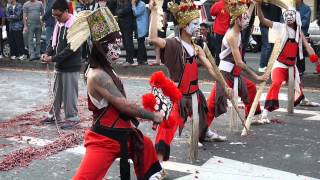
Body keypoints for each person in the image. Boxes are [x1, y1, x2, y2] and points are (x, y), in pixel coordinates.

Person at [68, 7, 165, 180]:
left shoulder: (106, 67)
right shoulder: (97, 75)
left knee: (146, 147)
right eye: (113, 44)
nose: (118, 47)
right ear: (100, 46)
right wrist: (153, 115)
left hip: (124, 135)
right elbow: (123, 105)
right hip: (104, 140)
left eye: (118, 42)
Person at [148, 0, 229, 165]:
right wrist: (154, 12)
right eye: (195, 24)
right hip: (179, 96)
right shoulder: (173, 44)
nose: (199, 27)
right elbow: (152, 38)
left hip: (195, 93)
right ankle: (158, 163)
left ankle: (203, 132)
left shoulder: (197, 47)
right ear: (184, 26)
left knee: (203, 113)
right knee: (168, 128)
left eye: (198, 23)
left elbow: (211, 68)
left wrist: (223, 84)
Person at [206, 0, 269, 126]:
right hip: (225, 75)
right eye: (244, 18)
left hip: (234, 74)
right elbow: (239, 63)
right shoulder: (232, 35)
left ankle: (250, 117)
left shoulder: (238, 28)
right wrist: (257, 76)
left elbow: (246, 15)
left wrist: (253, 4)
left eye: (246, 18)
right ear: (237, 20)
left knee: (251, 89)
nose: (246, 20)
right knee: (213, 104)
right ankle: (201, 132)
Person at [256, 2, 320, 122]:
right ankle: (265, 113)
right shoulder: (280, 27)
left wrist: (316, 61)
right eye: (287, 15)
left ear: (296, 17)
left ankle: (303, 99)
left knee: (297, 82)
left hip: (291, 65)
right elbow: (263, 20)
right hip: (279, 64)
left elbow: (307, 46)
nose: (289, 17)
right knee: (276, 83)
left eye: (292, 15)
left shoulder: (298, 31)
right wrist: (258, 6)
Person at [41, 0, 82, 129]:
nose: (56, 18)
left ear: (66, 11)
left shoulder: (75, 25)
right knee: (56, 92)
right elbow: (52, 42)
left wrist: (53, 58)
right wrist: (47, 53)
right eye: (54, 16)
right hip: (59, 64)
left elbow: (71, 48)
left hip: (71, 65)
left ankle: (72, 117)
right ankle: (54, 114)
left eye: (58, 15)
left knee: (69, 94)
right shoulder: (59, 23)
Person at [258, 3, 282, 72]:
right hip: (266, 24)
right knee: (267, 46)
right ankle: (262, 66)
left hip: (275, 25)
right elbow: (264, 4)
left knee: (274, 46)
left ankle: (269, 65)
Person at [116, 0, 136, 67]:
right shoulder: (120, 3)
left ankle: (130, 60)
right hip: (122, 26)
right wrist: (121, 12)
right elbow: (117, 12)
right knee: (125, 43)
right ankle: (127, 59)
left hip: (128, 26)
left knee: (129, 43)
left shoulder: (129, 2)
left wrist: (120, 12)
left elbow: (127, 11)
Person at [210, 0, 230, 66]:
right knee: (228, 49)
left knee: (218, 48)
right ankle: (226, 64)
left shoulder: (218, 4)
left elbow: (212, 12)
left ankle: (218, 64)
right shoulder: (232, 3)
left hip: (219, 31)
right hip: (229, 31)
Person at [296, 0, 311, 76]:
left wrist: (295, 23)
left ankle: (301, 69)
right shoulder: (292, 7)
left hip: (302, 32)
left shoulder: (306, 8)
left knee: (300, 51)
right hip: (292, 32)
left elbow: (305, 22)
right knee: (291, 50)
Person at [132, 0, 148, 65]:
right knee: (141, 43)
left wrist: (133, 5)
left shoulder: (142, 4)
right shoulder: (137, 4)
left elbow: (136, 13)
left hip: (141, 27)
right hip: (138, 27)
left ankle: (140, 60)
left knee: (141, 43)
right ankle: (144, 59)